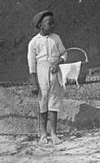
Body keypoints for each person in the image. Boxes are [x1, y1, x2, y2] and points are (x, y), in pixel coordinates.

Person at [28, 10, 67, 144]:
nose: (52, 25)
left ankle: (54, 133)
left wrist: (58, 62)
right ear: (40, 25)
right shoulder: (34, 42)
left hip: (55, 73)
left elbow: (64, 54)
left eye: (53, 23)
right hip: (41, 73)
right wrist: (34, 84)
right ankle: (43, 134)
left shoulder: (56, 38)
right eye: (49, 23)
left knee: (54, 103)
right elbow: (32, 66)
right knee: (43, 103)